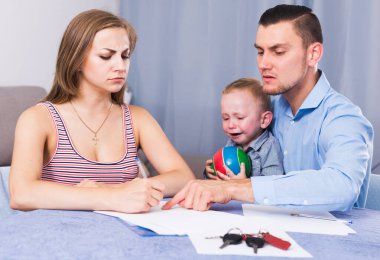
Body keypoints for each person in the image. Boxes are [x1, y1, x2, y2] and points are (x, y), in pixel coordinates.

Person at [163, 4, 374, 212]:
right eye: (260, 51)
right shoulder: (267, 111)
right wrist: (220, 173)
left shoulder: (344, 119)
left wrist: (235, 187)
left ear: (313, 54)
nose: (264, 63)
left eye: (278, 52)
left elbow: (343, 186)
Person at [9, 9, 195, 214]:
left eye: (125, 56)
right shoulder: (37, 119)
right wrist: (110, 197)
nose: (120, 66)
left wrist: (115, 190)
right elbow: (21, 194)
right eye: (106, 56)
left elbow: (183, 177)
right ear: (76, 60)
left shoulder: (138, 119)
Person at [204, 77, 283, 180]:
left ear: (264, 120)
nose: (231, 125)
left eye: (240, 117)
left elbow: (273, 186)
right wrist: (210, 173)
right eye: (225, 118)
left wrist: (243, 183)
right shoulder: (231, 144)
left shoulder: (269, 147)